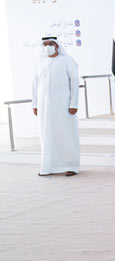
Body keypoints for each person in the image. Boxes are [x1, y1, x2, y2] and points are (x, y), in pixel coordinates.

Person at [32, 36, 80, 176]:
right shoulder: (40, 62)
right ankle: (48, 166)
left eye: (51, 43)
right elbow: (35, 84)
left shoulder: (67, 61)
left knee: (66, 134)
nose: (48, 46)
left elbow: (74, 82)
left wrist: (74, 103)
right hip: (44, 107)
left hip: (63, 105)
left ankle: (71, 166)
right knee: (47, 135)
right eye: (45, 44)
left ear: (57, 45)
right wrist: (35, 104)